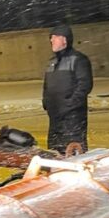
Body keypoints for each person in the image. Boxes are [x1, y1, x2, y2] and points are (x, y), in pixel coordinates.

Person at [42, 24, 93, 155]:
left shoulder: (78, 59)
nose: (51, 40)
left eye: (55, 37)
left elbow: (85, 85)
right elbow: (46, 85)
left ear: (64, 40)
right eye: (51, 38)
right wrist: (46, 102)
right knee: (54, 154)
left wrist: (70, 105)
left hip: (73, 119)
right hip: (55, 118)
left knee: (74, 152)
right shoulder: (52, 62)